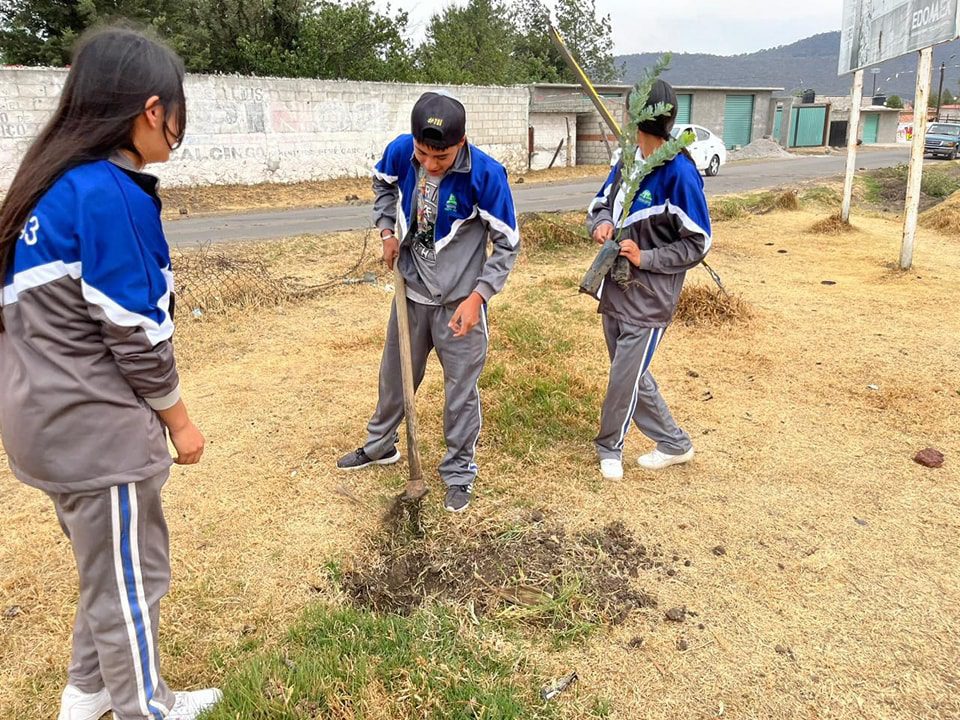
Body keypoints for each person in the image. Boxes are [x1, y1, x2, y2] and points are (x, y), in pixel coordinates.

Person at [0, 27, 222, 720]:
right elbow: (137, 337)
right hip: (93, 435)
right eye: (178, 110)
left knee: (111, 572)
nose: (179, 125)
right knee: (135, 580)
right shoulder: (110, 195)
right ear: (154, 110)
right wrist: (180, 424)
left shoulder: (50, 189)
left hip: (47, 426)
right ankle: (142, 710)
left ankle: (89, 695)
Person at [337, 91, 520, 513]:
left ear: (461, 142)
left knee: (460, 391)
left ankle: (458, 471)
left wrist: (479, 297)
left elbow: (507, 245)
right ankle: (381, 446)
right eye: (424, 154)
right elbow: (382, 187)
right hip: (411, 292)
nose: (431, 165)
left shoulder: (486, 176)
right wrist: (386, 232)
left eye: (441, 157)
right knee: (395, 376)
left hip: (460, 304)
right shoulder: (402, 152)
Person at [585, 79, 712, 481]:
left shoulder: (680, 174)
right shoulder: (628, 161)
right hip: (615, 286)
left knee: (625, 376)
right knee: (632, 372)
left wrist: (647, 256)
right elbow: (600, 202)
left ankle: (610, 447)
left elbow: (699, 243)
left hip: (650, 296)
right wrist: (602, 224)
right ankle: (674, 443)